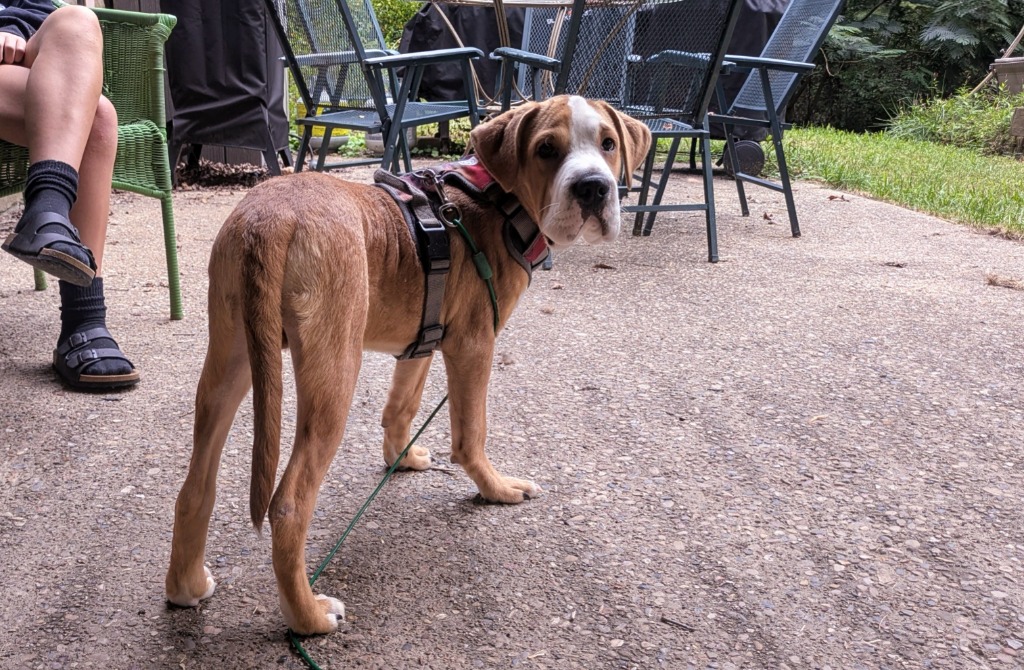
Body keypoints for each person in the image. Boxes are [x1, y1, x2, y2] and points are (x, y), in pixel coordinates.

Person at [0, 0, 139, 390]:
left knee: (76, 20)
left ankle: (47, 211)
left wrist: (12, 30)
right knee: (96, 117)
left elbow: (33, 6)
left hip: (13, 57)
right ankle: (84, 320)